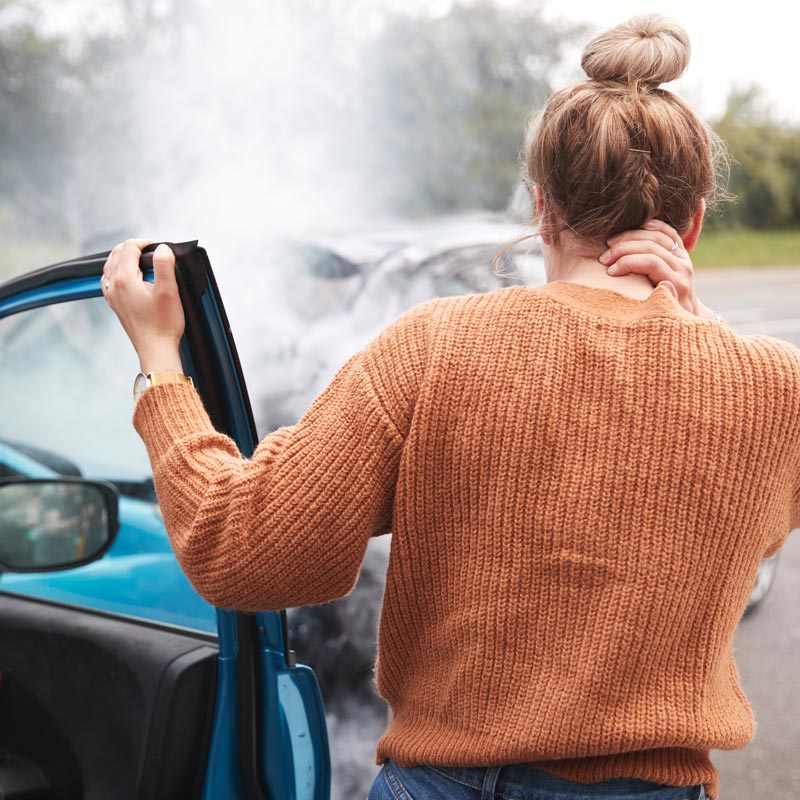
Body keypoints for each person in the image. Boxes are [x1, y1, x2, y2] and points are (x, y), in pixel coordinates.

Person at [100, 15, 800, 800]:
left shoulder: (435, 345)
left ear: (542, 209)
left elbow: (241, 548)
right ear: (695, 222)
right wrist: (701, 333)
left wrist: (161, 361)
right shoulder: (773, 387)